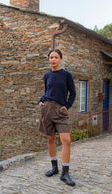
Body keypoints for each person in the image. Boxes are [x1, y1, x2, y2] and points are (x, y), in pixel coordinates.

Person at [38, 49, 76, 186]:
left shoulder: (66, 75)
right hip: (47, 109)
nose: (53, 59)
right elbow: (47, 91)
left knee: (66, 140)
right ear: (48, 59)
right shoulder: (46, 75)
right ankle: (54, 167)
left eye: (56, 57)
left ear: (60, 59)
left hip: (60, 111)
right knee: (50, 139)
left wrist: (67, 106)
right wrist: (41, 101)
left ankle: (65, 173)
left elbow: (73, 93)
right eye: (51, 57)